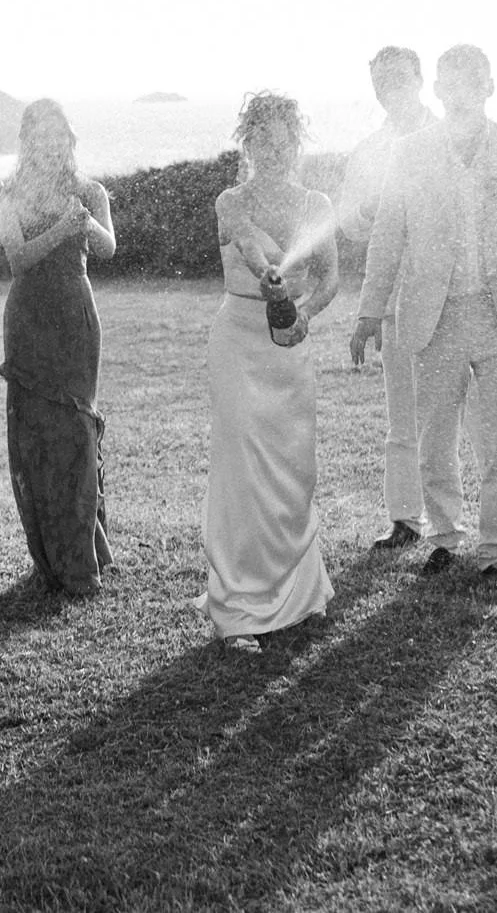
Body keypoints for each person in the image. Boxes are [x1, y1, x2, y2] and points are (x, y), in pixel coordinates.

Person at [351, 45, 497, 583]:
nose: (460, 93)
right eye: (450, 84)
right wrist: (369, 312)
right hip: (433, 316)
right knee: (434, 436)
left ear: (490, 86)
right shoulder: (410, 152)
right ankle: (445, 536)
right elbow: (388, 235)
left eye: (472, 82)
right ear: (439, 90)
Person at [198, 92, 338, 648]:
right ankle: (237, 605)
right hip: (239, 342)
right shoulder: (230, 199)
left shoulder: (317, 204)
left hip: (290, 345)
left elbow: (330, 279)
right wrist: (269, 277)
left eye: (284, 140)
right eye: (262, 140)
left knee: (292, 469)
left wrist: (302, 311)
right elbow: (251, 247)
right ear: (248, 143)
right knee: (243, 471)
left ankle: (299, 592)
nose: (274, 151)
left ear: (297, 143)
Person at [0, 98, 116, 596]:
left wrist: (83, 223)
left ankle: (85, 559)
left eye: (57, 135)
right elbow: (18, 259)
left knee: (76, 433)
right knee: (37, 439)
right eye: (39, 137)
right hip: (28, 319)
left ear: (69, 139)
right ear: (27, 143)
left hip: (74, 318)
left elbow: (108, 247)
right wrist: (61, 230)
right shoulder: (8, 192)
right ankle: (49, 557)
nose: (50, 145)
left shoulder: (91, 191)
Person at [336, 46, 438, 552]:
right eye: (379, 83)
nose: (388, 90)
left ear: (419, 78)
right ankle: (405, 519)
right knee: (403, 415)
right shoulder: (370, 151)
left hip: (456, 298)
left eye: (397, 78)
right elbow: (349, 222)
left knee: (458, 417)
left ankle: (459, 525)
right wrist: (370, 213)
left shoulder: (449, 135)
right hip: (396, 298)